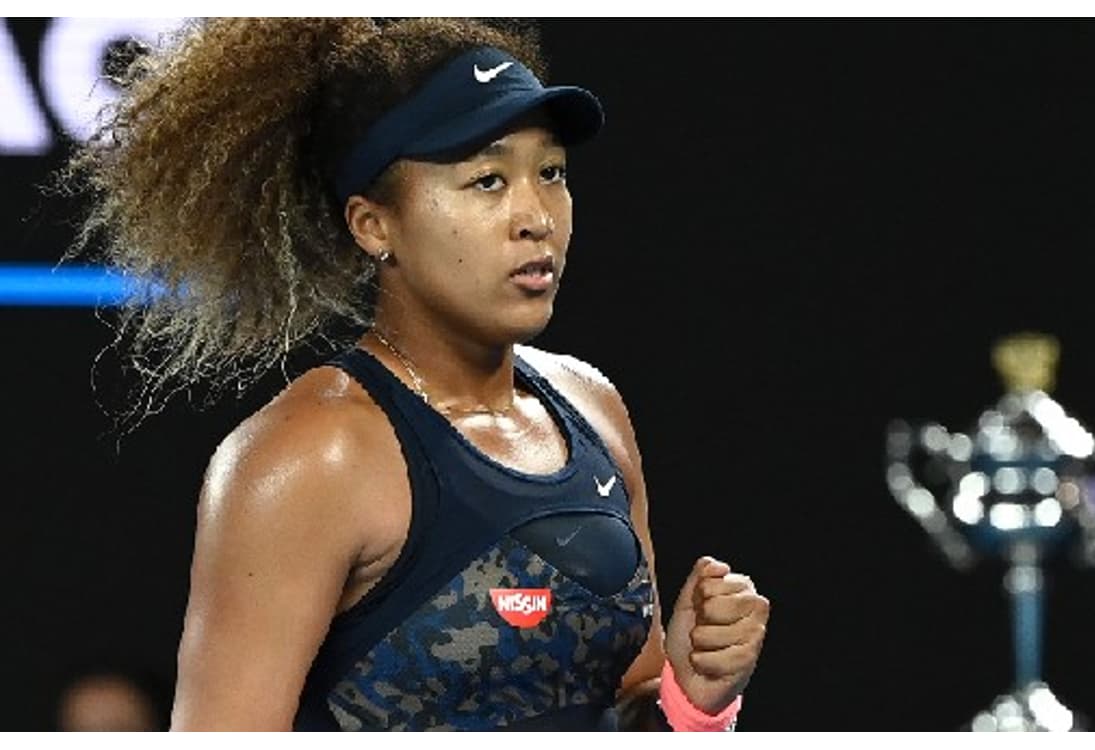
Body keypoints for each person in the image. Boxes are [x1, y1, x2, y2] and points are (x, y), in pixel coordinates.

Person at [62, 18, 770, 731]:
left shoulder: (594, 408)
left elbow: (629, 712)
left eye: (550, 172)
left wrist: (697, 696)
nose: (536, 217)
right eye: (487, 181)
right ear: (374, 226)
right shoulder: (307, 457)